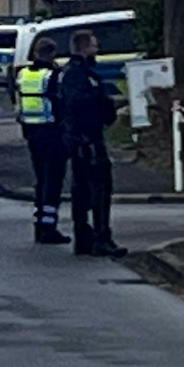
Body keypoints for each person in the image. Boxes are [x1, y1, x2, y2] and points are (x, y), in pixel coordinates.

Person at [56, 28, 125, 258]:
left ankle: (85, 237)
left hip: (80, 140)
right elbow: (81, 105)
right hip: (87, 141)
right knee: (98, 190)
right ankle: (99, 237)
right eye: (94, 46)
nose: (97, 50)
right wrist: (105, 105)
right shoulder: (80, 75)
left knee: (83, 191)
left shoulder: (74, 73)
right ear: (84, 48)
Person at [15, 35, 69, 244]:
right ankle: (48, 226)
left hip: (32, 133)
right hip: (52, 132)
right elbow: (61, 103)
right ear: (52, 53)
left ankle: (39, 224)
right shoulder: (53, 75)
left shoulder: (24, 74)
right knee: (52, 182)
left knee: (40, 181)